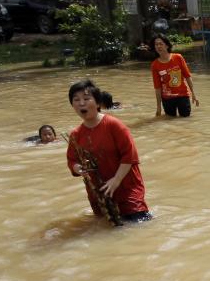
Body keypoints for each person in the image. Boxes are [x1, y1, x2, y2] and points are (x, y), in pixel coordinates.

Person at [65, 79, 152, 223]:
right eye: (76, 100)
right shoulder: (76, 134)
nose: (81, 103)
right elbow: (72, 160)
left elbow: (129, 155)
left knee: (140, 227)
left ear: (98, 103)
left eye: (86, 99)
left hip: (126, 189)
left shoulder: (113, 125)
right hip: (99, 194)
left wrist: (116, 180)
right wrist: (78, 168)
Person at [150, 33, 199, 118]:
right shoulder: (155, 65)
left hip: (183, 95)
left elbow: (187, 76)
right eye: (156, 44)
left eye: (161, 44)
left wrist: (194, 94)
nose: (158, 46)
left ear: (167, 45)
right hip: (167, 98)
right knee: (170, 121)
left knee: (186, 119)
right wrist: (158, 107)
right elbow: (157, 87)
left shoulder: (178, 58)